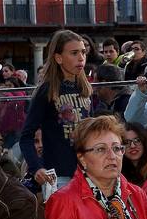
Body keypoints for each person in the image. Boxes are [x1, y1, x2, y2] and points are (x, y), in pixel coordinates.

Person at [20, 30, 94, 187]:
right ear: (58, 58)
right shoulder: (46, 90)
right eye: (74, 53)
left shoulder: (85, 88)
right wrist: (36, 168)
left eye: (83, 52)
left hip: (88, 173)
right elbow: (26, 136)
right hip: (59, 176)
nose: (81, 58)